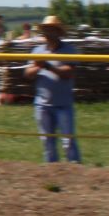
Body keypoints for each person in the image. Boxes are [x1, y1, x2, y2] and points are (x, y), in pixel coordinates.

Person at [25, 15, 81, 164]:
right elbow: (28, 74)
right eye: (46, 30)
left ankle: (75, 170)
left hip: (63, 103)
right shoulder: (37, 50)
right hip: (42, 104)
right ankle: (52, 171)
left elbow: (68, 73)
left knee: (68, 141)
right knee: (47, 141)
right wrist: (38, 66)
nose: (48, 33)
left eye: (51, 30)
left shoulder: (69, 50)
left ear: (58, 32)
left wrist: (48, 66)